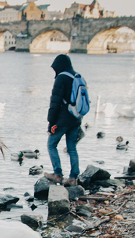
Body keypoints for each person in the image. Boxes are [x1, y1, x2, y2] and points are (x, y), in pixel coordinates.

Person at [45, 54, 82, 187]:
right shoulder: (77, 76)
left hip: (62, 120)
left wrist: (51, 122)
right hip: (76, 118)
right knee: (72, 148)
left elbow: (55, 102)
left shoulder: (61, 78)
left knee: (51, 144)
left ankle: (58, 174)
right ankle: (73, 177)